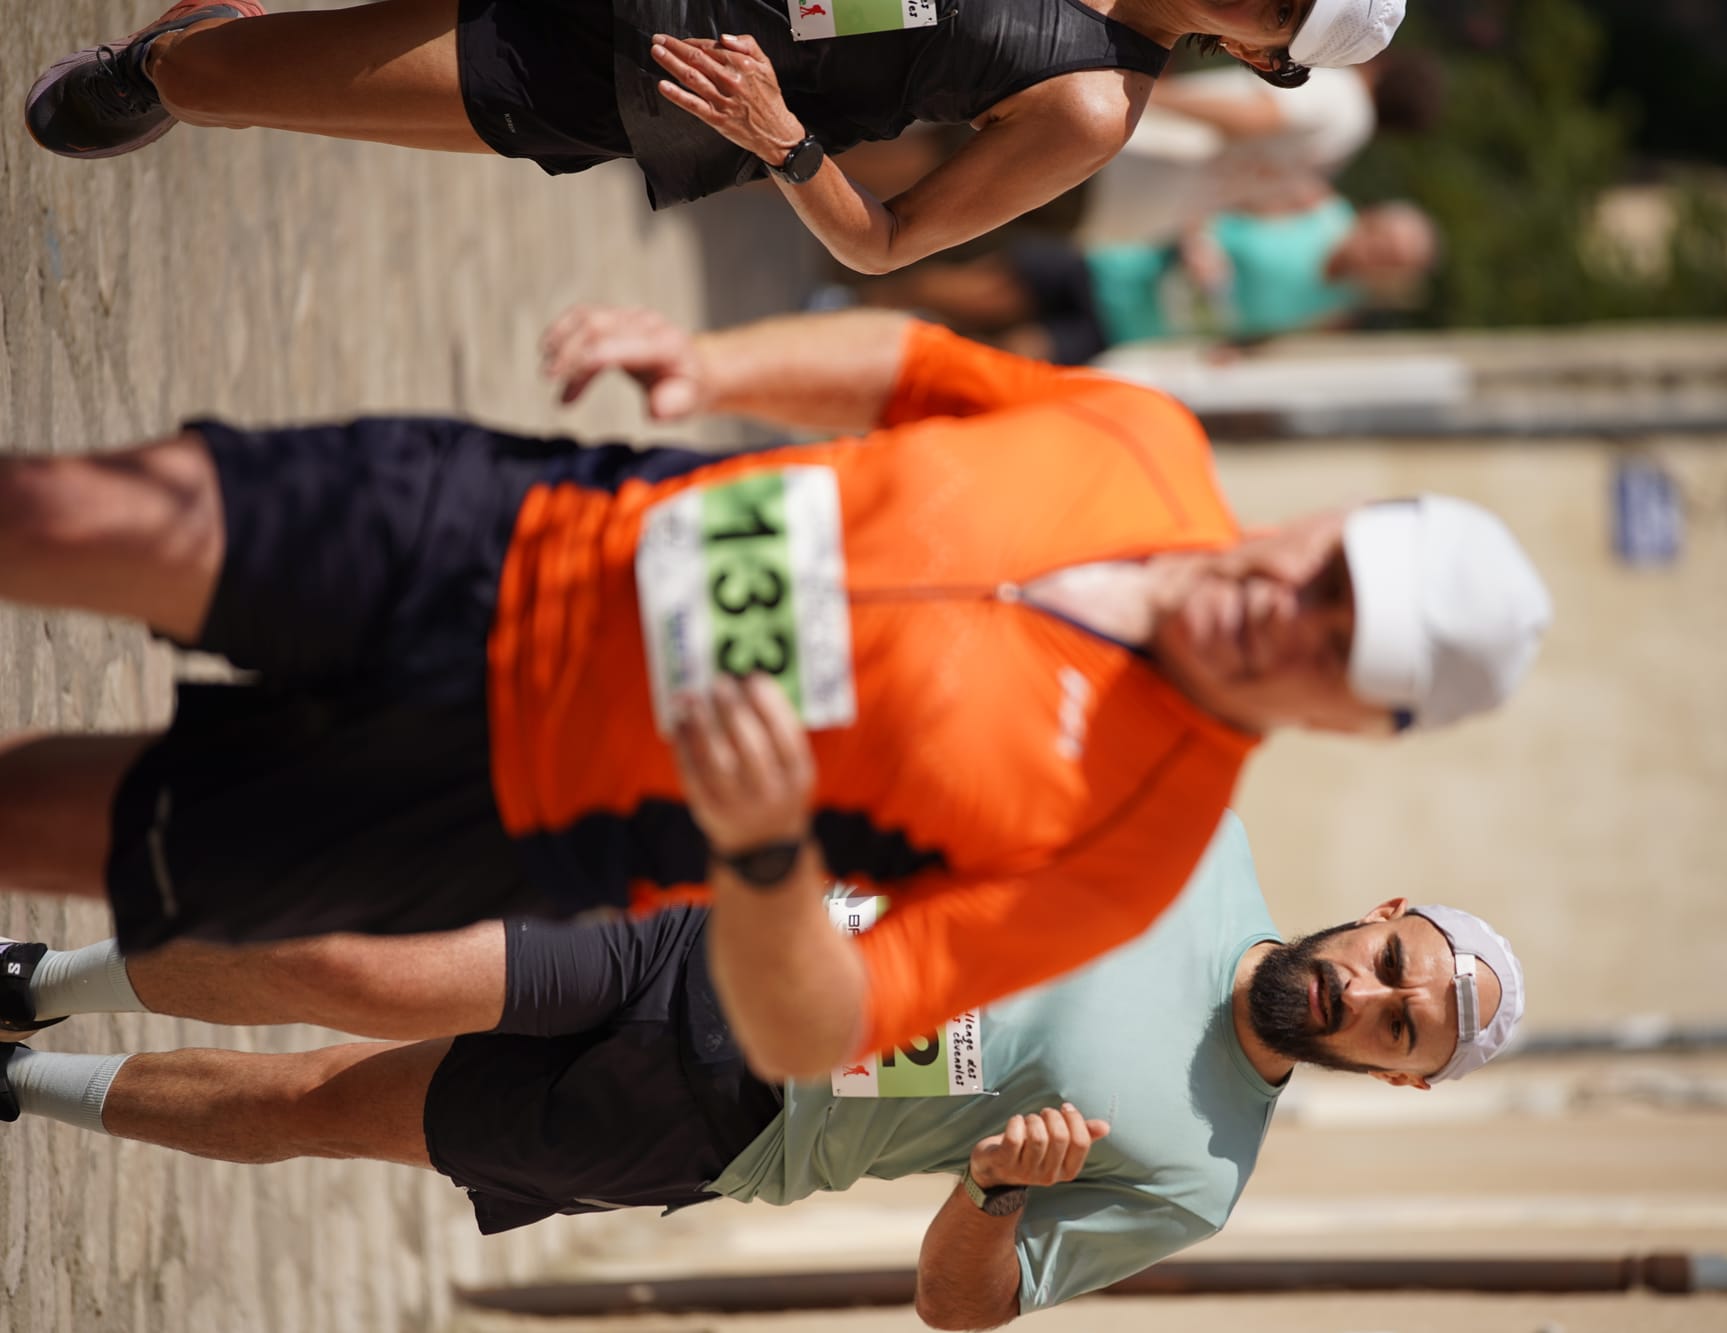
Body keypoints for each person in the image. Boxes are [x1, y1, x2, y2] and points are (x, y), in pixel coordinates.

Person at [0, 303, 1551, 1082]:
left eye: (1341, 653)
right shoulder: (1146, 444)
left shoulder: (1131, 849)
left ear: (1356, 724)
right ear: (1338, 517)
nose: (1291, 612)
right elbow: (918, 367)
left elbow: (824, 1028)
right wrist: (714, 353)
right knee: (67, 517)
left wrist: (759, 860)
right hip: (517, 530)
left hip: (501, 799)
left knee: (45, 824)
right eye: (1334, 570)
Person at [0, 814, 1527, 1327]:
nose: (1364, 997)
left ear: (1389, 1074)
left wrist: (998, 1189)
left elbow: (957, 1304)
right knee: (358, 958)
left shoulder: (1201, 1176)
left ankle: (16, 1088)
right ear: (1385, 912)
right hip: (714, 929)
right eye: (1395, 968)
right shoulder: (1195, 837)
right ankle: (40, 984)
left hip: (717, 1120)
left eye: (1398, 1027)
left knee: (320, 1110)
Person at [23, 0, 1407, 274]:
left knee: (220, 78)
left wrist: (782, 139)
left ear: (1267, 55)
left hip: (635, 68)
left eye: (1282, 6)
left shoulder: (1093, 102)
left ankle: (175, 57)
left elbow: (889, 244)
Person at [850, 196, 1438, 364]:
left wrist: (1235, 350)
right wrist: (1201, 248)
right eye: (1390, 242)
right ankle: (863, 296)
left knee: (1007, 359)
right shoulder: (1314, 207)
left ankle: (879, 355)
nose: (1383, 256)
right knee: (973, 295)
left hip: (1128, 328)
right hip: (1112, 267)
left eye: (1396, 261)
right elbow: (1213, 204)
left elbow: (1265, 337)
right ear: (1376, 221)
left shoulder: (1338, 311)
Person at [1079, 48, 1447, 245]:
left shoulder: (1340, 94)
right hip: (1136, 218)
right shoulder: (1344, 150)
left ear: (1385, 65)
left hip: (1123, 154)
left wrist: (1151, 94)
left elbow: (1252, 118)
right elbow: (1261, 205)